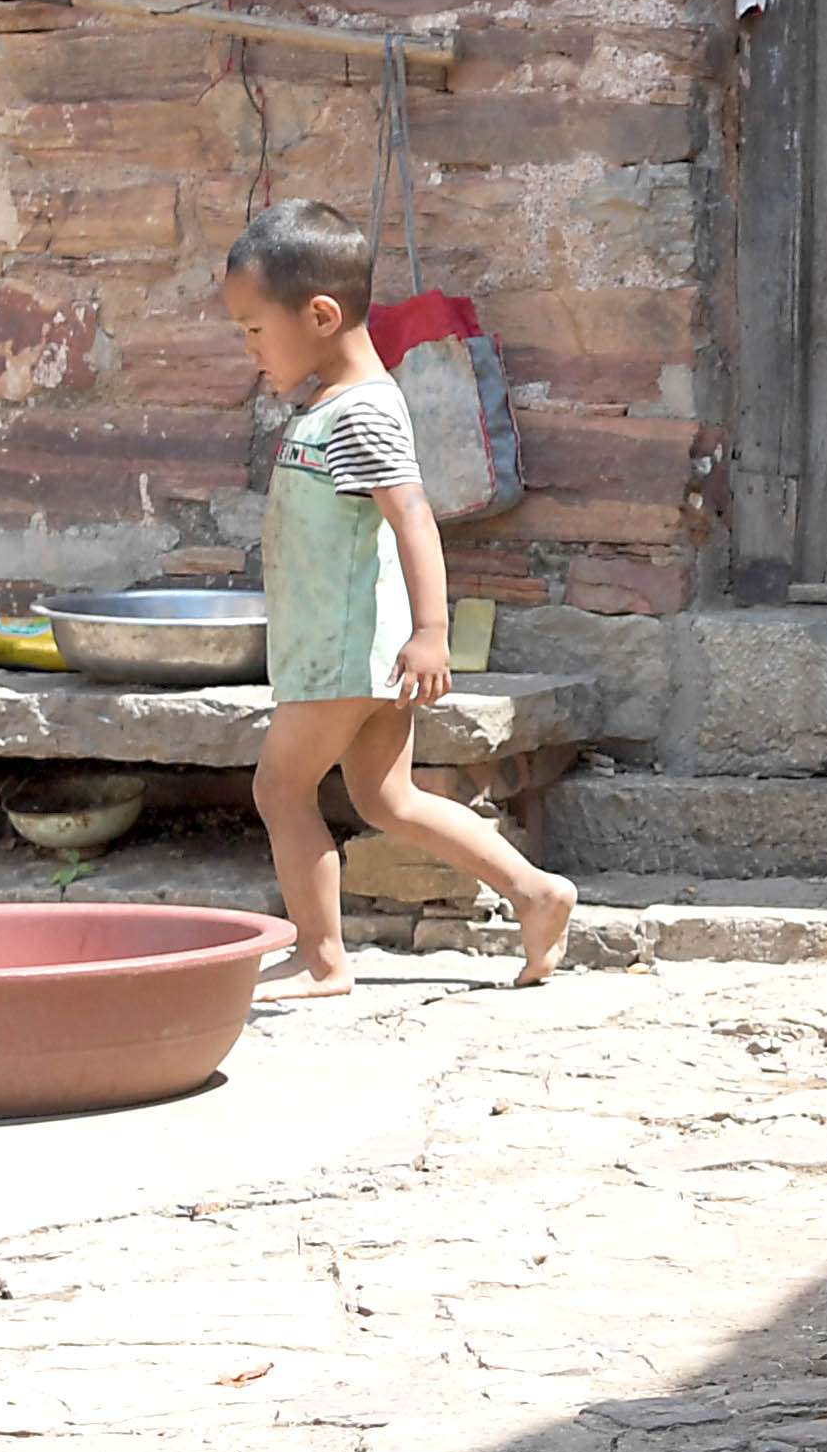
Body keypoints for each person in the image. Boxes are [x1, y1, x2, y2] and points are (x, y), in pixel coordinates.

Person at [216, 200, 577, 998]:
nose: (248, 349)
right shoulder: (328, 404)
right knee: (387, 797)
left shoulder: (362, 410)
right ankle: (536, 892)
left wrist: (433, 630)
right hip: (356, 645)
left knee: (280, 789)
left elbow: (413, 514)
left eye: (253, 329)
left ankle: (322, 961)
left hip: (348, 650)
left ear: (320, 314)